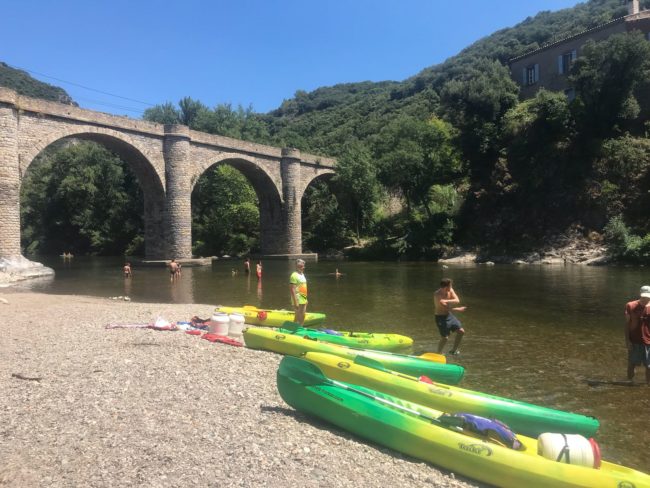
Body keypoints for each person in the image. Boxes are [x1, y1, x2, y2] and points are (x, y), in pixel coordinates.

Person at [624, 285, 650, 385]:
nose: (645, 299)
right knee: (631, 364)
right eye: (644, 296)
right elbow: (627, 324)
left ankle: (648, 385)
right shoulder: (630, 306)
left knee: (649, 366)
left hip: (649, 342)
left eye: (648, 297)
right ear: (640, 294)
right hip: (634, 340)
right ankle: (629, 382)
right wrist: (627, 341)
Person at [434, 278, 467, 355]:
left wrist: (446, 300)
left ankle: (453, 350)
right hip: (440, 317)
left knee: (461, 331)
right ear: (446, 287)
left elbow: (457, 300)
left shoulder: (450, 290)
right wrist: (458, 309)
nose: (451, 287)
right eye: (450, 285)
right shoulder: (437, 295)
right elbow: (447, 308)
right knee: (445, 337)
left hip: (449, 315)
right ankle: (438, 354)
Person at [290, 259, 308, 325]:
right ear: (297, 266)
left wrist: (306, 299)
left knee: (301, 315)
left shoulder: (302, 274)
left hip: (303, 297)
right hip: (297, 298)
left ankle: (297, 329)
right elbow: (292, 289)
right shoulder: (294, 275)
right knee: (299, 316)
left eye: (303, 266)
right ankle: (297, 329)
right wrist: (295, 302)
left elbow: (303, 286)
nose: (303, 267)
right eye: (301, 266)